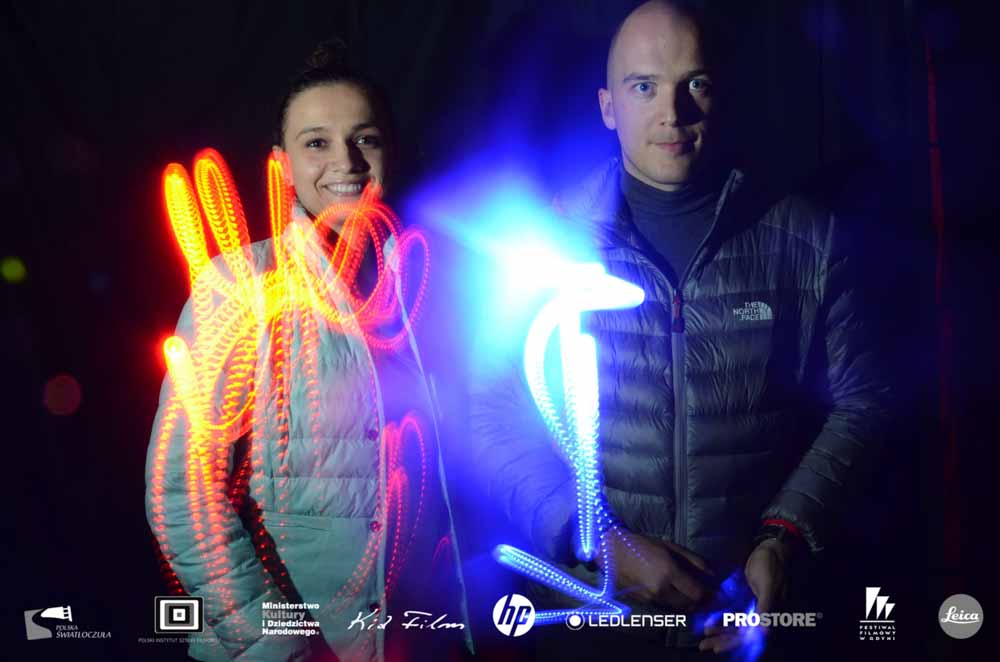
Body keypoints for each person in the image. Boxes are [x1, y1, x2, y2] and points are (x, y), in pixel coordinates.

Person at [470, 1, 892, 658]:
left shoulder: (809, 240)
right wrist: (601, 543)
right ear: (608, 106)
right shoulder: (545, 242)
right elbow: (488, 411)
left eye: (694, 83)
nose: (673, 111)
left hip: (742, 613)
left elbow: (863, 401)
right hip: (592, 617)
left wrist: (782, 539)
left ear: (722, 94)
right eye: (644, 87)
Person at [146, 43, 470, 662]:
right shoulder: (240, 285)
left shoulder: (426, 290)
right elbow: (180, 491)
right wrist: (280, 646)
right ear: (283, 164)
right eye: (316, 142)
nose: (345, 161)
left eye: (365, 138)